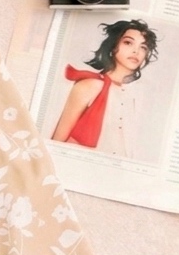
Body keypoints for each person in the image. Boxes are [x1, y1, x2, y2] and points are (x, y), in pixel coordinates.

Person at [51, 19, 159, 156]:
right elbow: (57, 141)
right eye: (128, 43)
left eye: (143, 47)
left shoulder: (136, 95)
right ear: (113, 46)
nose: (136, 51)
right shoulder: (91, 85)